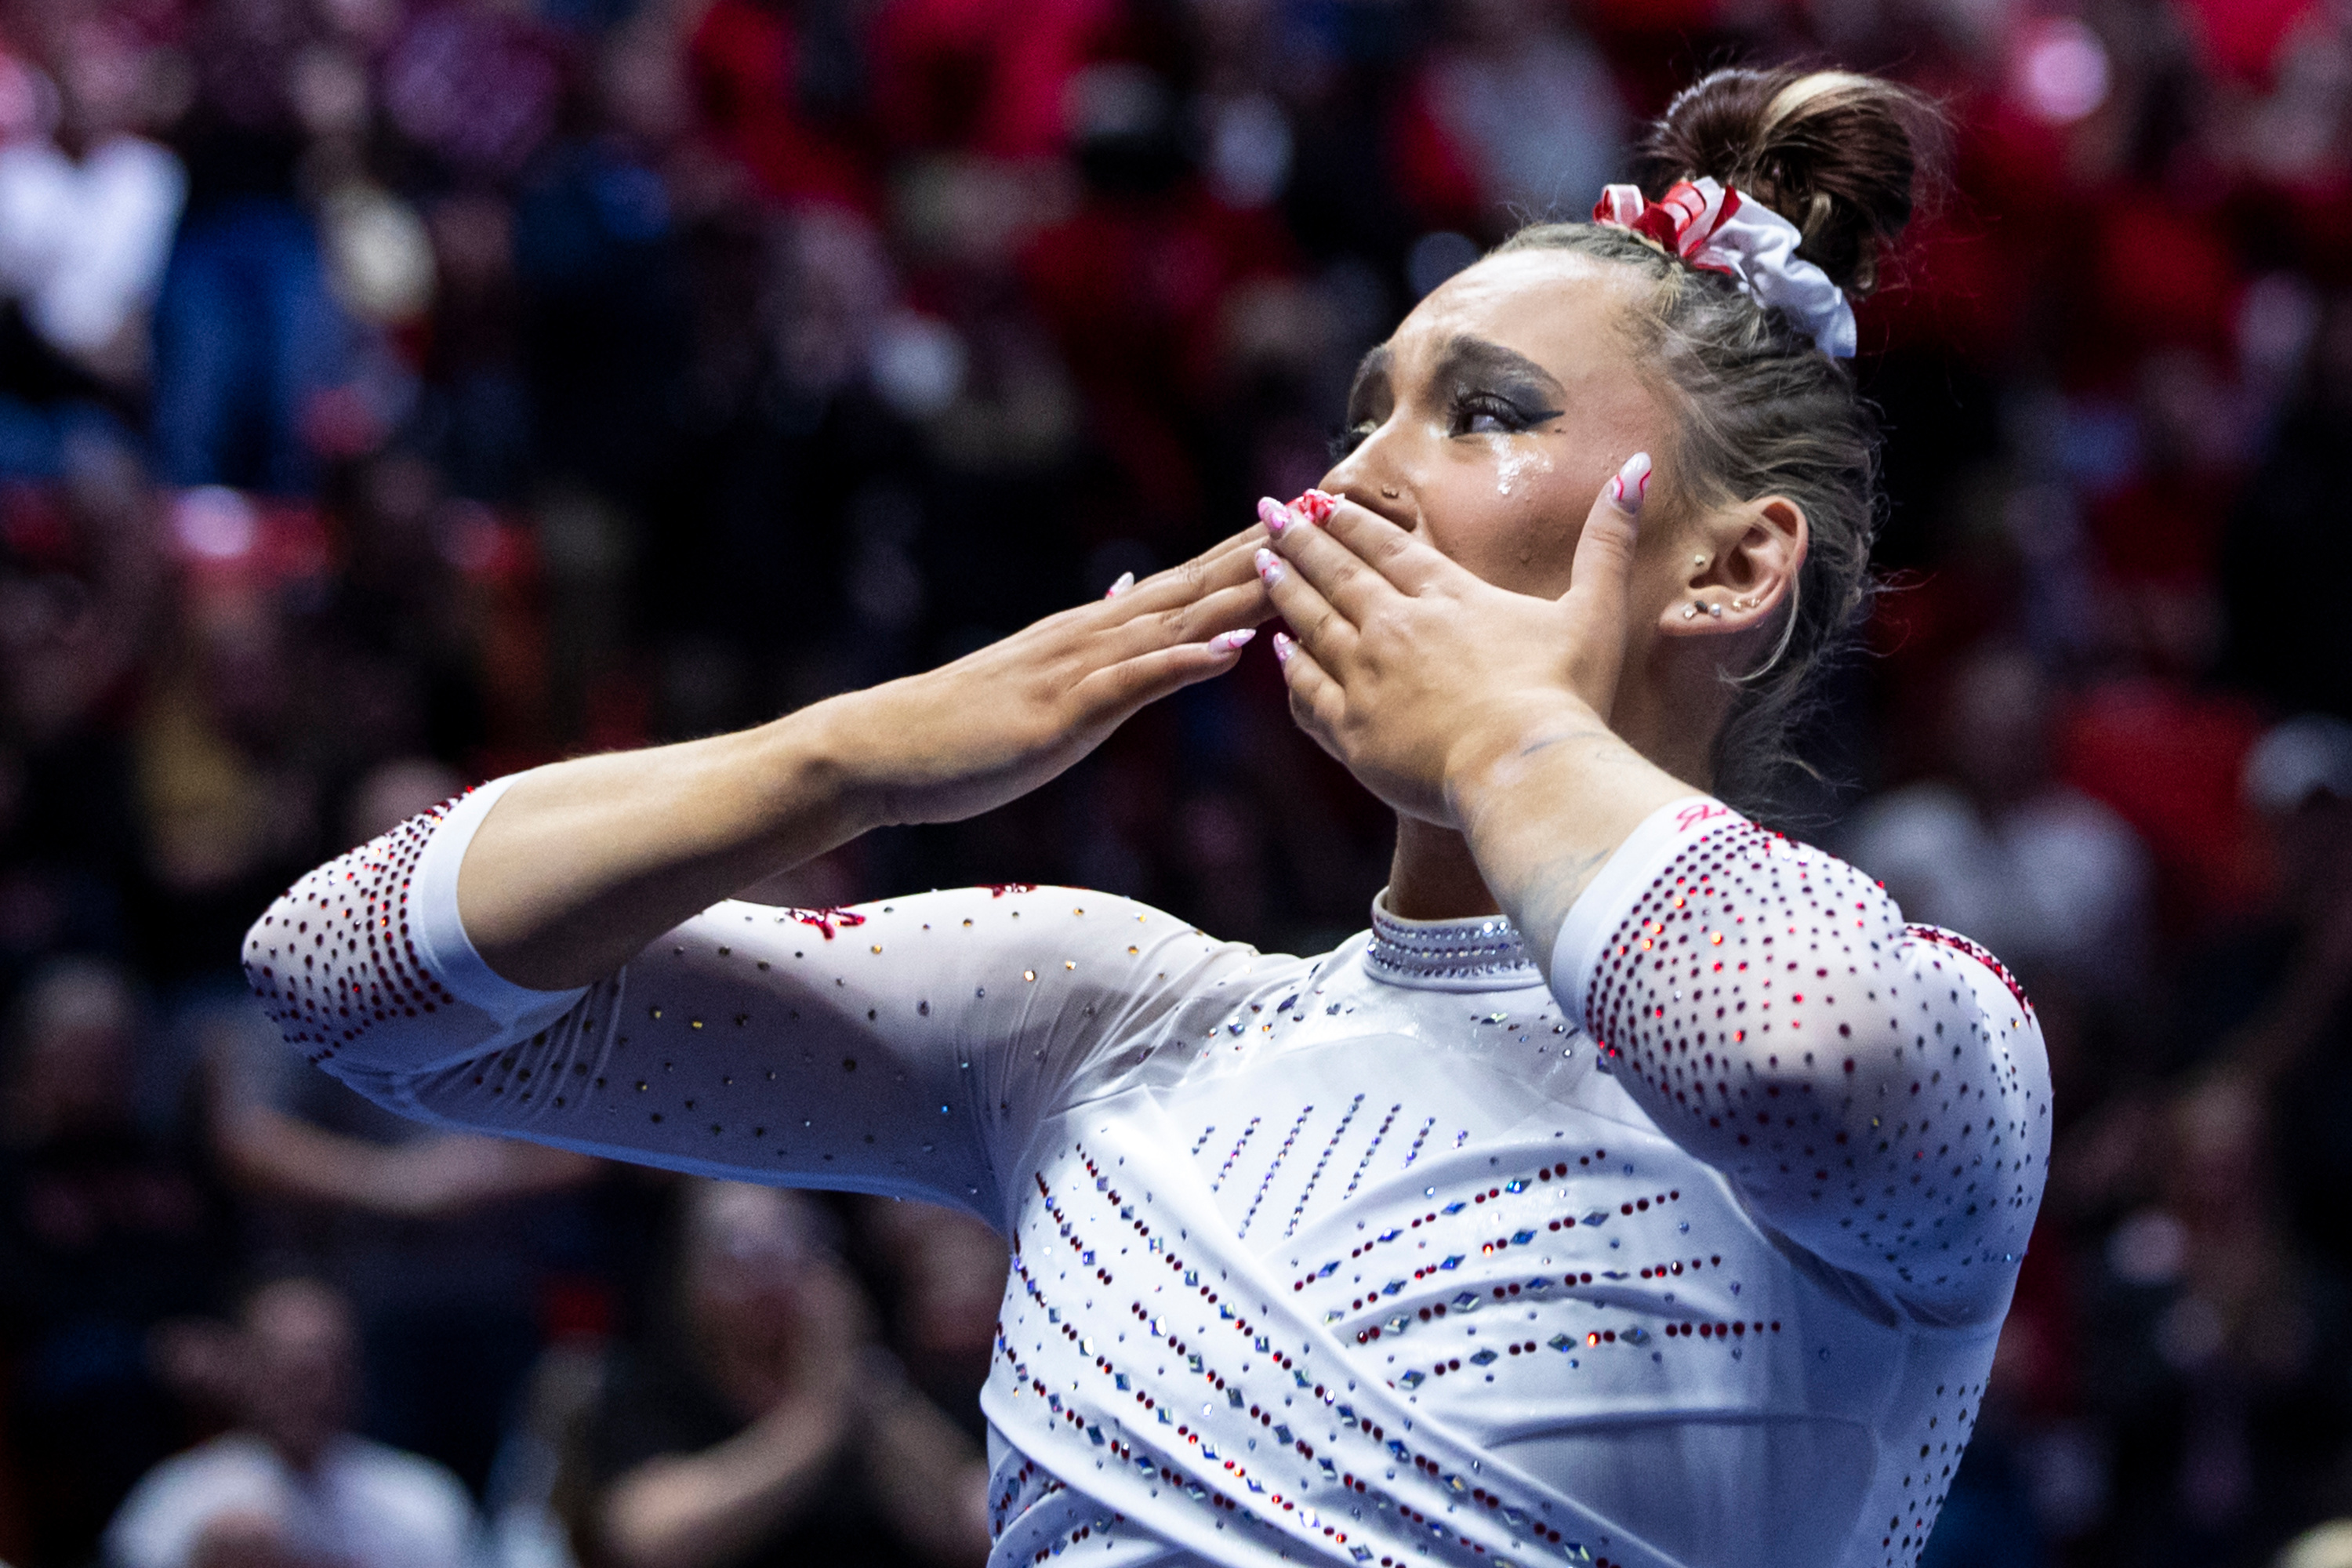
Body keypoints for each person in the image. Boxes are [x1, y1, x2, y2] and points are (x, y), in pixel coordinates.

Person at [243, 67, 2051, 1568]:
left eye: (1481, 412)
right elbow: (344, 974)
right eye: (1364, 413)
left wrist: (1504, 739)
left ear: (1726, 568)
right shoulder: (1112, 1021)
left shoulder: (1933, 1029)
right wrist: (847, 753)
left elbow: (1789, 1044)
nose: (1352, 475)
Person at [564, 1180, 991, 1568]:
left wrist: (856, 1380)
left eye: (789, 1246)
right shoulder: (651, 1390)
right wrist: (815, 1424)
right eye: (741, 1251)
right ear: (688, 1278)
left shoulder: (890, 1379)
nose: (767, 1277)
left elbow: (975, 1526)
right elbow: (646, 1540)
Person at [104, 1276, 479, 1568]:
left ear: (356, 1373)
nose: (306, 1392)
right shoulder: (175, 1503)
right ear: (246, 1369)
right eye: (285, 1369)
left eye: (321, 1369)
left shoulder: (422, 1499)